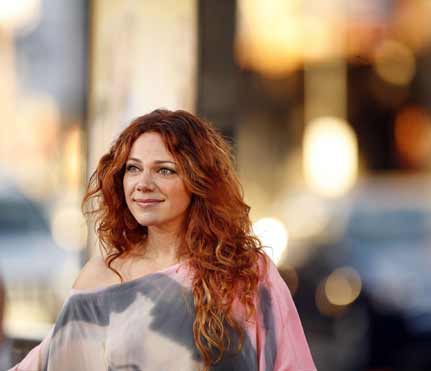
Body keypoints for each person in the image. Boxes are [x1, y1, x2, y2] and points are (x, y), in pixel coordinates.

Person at [9, 109, 316, 371]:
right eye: (133, 169)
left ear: (198, 182)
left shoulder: (246, 274)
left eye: (164, 171)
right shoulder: (102, 279)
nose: (143, 184)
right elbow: (49, 360)